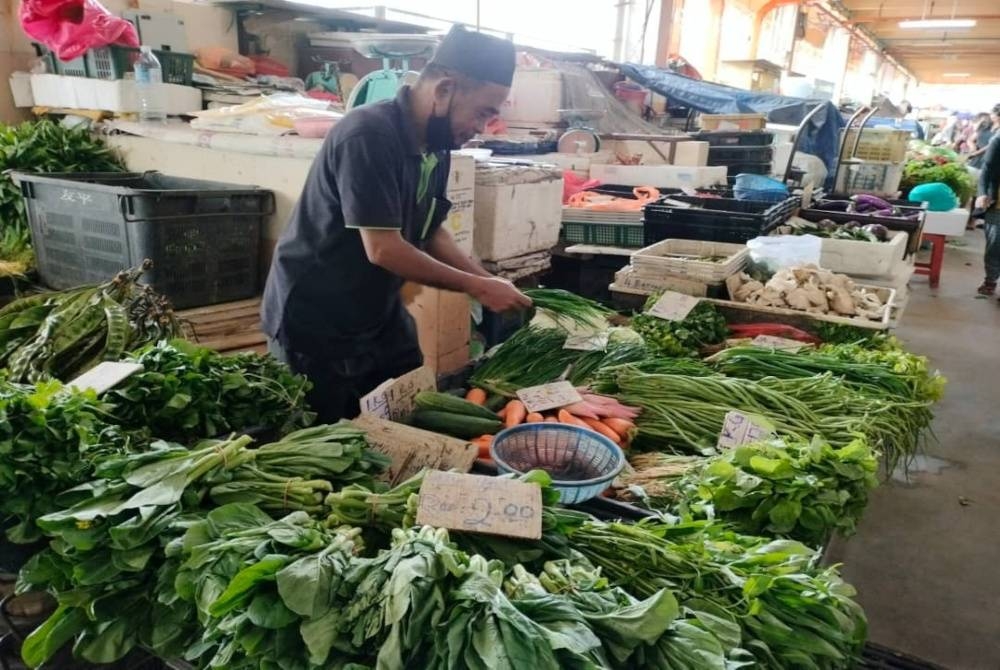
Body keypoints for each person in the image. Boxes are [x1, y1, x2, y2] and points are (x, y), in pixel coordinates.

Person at [261, 25, 532, 422]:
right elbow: (384, 248)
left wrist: (487, 281)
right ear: (444, 90)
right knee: (328, 436)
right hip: (318, 316)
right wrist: (476, 286)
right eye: (483, 112)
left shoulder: (436, 145)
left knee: (406, 409)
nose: (483, 126)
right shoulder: (367, 134)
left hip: (377, 312)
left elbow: (430, 228)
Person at [975, 105, 1000, 297]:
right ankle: (990, 280)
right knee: (995, 245)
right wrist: (982, 193)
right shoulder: (998, 139)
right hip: (998, 204)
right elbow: (987, 169)